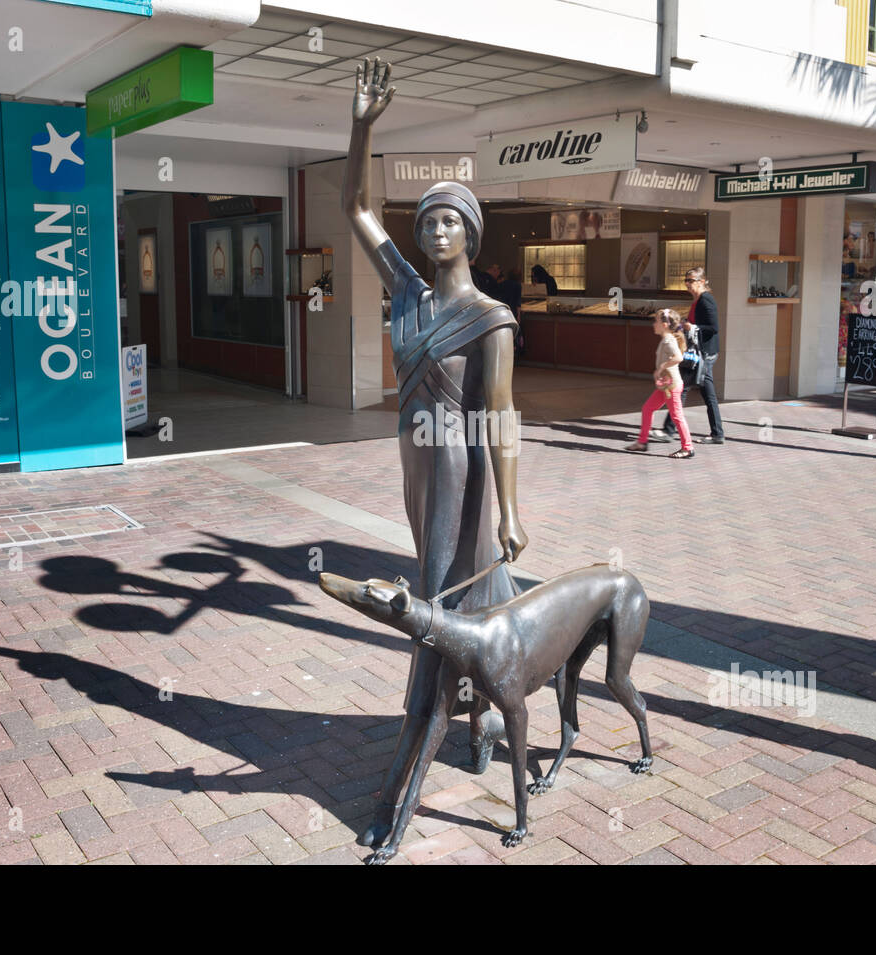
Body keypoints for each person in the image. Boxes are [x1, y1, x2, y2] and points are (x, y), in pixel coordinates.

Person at [343, 58, 527, 850]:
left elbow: (501, 417)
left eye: (450, 219)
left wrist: (514, 508)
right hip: (416, 467)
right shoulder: (407, 293)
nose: (434, 228)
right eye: (426, 220)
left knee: (435, 613)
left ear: (472, 232)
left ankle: (405, 778)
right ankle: (487, 710)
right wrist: (362, 125)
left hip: (460, 468)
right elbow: (353, 205)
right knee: (463, 602)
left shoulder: (491, 317)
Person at [655, 267, 725, 443]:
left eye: (691, 280)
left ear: (702, 281)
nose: (687, 284)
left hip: (705, 354)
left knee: (681, 388)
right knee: (702, 393)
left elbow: (713, 328)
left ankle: (669, 430)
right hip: (702, 353)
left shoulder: (706, 300)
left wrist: (692, 327)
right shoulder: (698, 300)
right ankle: (717, 433)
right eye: (686, 280)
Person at [626, 308, 695, 459]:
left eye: (656, 321)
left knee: (677, 416)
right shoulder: (666, 339)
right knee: (647, 409)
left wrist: (661, 368)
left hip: (672, 386)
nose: (653, 324)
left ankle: (687, 448)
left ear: (664, 324)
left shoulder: (669, 340)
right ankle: (642, 442)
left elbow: (678, 357)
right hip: (666, 386)